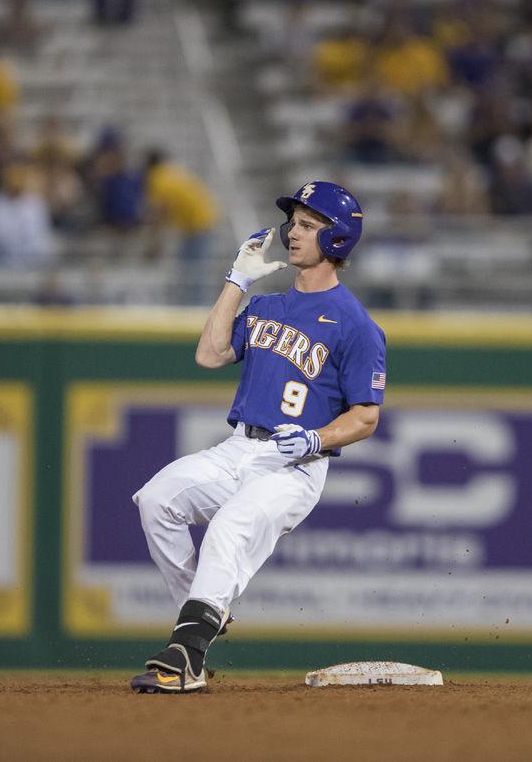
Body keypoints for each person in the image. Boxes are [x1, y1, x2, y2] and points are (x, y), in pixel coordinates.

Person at [130, 181, 386, 694]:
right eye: (294, 221)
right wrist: (236, 282)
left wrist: (316, 440)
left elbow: (366, 416)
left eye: (309, 225)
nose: (294, 231)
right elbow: (209, 354)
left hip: (295, 466)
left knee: (231, 526)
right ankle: (204, 613)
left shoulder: (356, 325)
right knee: (156, 499)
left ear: (336, 239)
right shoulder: (267, 306)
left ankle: (187, 651)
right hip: (239, 448)